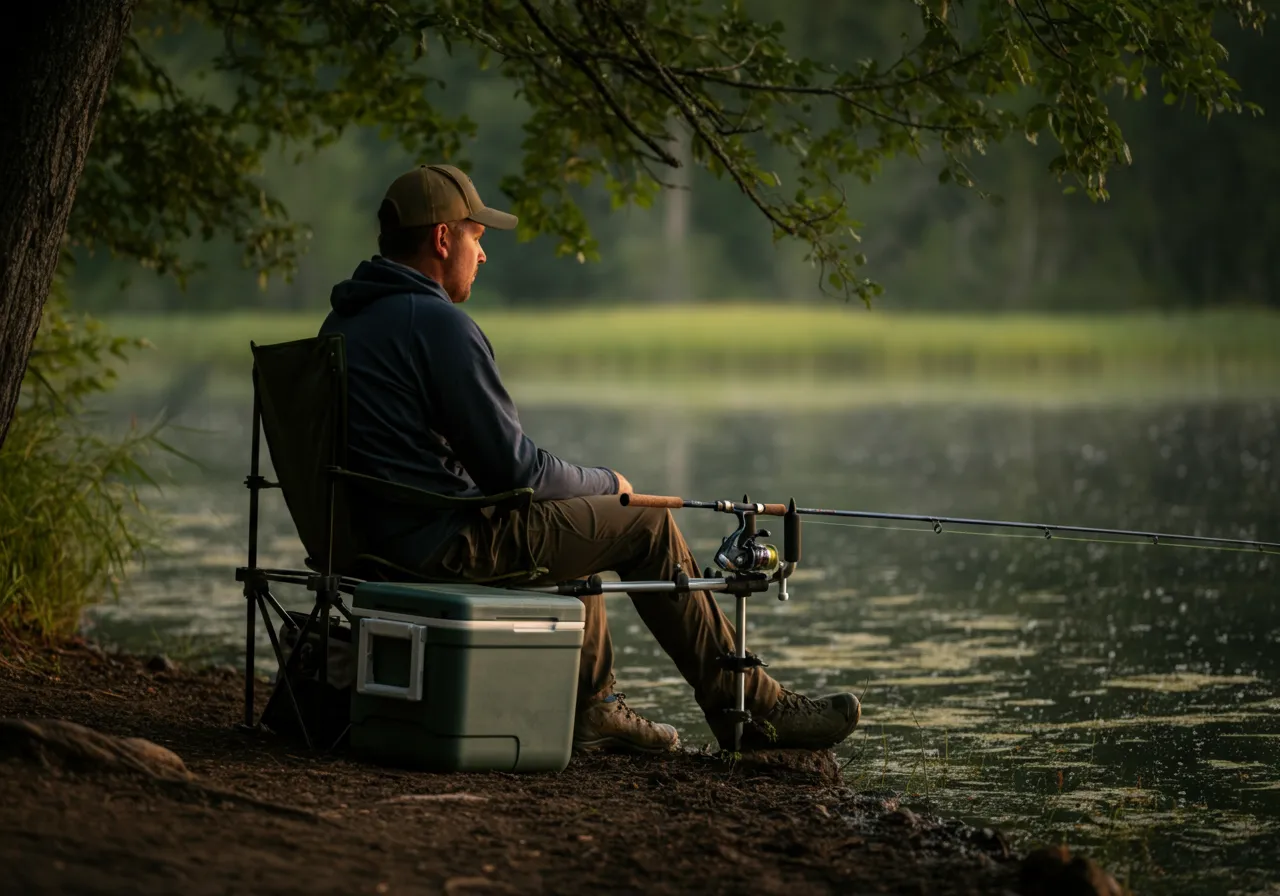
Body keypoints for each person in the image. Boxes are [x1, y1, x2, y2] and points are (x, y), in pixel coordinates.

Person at [320, 164, 861, 754]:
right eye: (477, 238)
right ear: (443, 239)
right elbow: (515, 472)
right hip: (442, 549)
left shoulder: (345, 324)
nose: (483, 256)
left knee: (577, 514)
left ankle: (597, 706)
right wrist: (611, 483)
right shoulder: (437, 325)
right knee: (643, 521)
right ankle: (755, 711)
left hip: (375, 544)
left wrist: (582, 492)